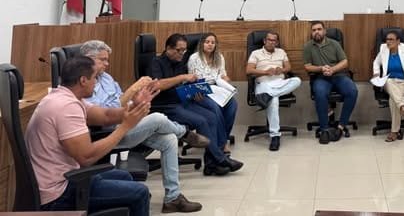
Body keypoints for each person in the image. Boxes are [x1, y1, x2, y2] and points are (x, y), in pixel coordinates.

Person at [79, 40, 205, 213]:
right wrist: (132, 90)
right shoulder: (84, 83)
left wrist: (137, 102)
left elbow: (122, 103)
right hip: (110, 133)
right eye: (103, 60)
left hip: (126, 121)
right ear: (88, 59)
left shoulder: (106, 78)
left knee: (169, 139)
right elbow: (105, 115)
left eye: (107, 60)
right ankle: (184, 132)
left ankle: (173, 198)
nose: (107, 64)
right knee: (158, 118)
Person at [25, 55, 151, 216]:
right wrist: (125, 127)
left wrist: (135, 106)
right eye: (94, 78)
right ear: (83, 80)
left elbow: (105, 116)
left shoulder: (65, 97)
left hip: (67, 176)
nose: (96, 83)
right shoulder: (65, 107)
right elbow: (87, 157)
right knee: (140, 193)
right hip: (58, 194)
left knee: (124, 176)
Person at [151, 33, 243, 176]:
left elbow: (186, 83)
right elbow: (157, 85)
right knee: (202, 121)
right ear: (168, 48)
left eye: (184, 51)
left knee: (212, 116)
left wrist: (195, 89)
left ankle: (211, 165)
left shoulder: (180, 61)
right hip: (166, 105)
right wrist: (182, 77)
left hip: (183, 100)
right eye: (179, 50)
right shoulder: (156, 62)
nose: (182, 54)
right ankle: (220, 160)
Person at [303, 20, 358, 144]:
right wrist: (321, 68)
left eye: (319, 29)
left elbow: (344, 62)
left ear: (324, 31)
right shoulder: (308, 47)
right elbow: (307, 66)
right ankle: (324, 130)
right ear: (311, 33)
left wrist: (333, 69)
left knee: (352, 91)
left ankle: (340, 127)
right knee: (320, 93)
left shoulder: (334, 44)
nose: (316, 32)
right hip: (320, 77)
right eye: (314, 30)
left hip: (338, 75)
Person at [246, 30, 302, 151]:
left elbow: (288, 67)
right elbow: (249, 70)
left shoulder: (281, 52)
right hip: (263, 84)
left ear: (277, 42)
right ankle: (275, 136)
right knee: (274, 100)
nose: (271, 42)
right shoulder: (256, 53)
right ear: (264, 41)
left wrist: (281, 70)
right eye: (269, 40)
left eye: (274, 40)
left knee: (297, 80)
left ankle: (267, 96)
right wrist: (265, 72)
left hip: (280, 83)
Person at [186, 32, 239, 151]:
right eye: (207, 42)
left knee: (233, 105)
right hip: (201, 90)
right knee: (215, 108)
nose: (210, 45)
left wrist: (227, 82)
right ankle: (222, 144)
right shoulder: (194, 58)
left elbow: (224, 75)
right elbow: (191, 78)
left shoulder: (219, 57)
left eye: (213, 43)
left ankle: (223, 138)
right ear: (202, 44)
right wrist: (196, 90)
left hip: (217, 88)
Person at [371, 30, 404, 142]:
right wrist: (376, 73)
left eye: (391, 39)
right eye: (387, 39)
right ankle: (401, 107)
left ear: (398, 41)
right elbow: (376, 62)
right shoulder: (383, 49)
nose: (388, 42)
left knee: (393, 99)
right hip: (389, 83)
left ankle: (394, 130)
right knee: (388, 81)